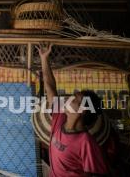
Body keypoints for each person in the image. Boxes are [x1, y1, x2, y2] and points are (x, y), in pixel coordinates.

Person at [38, 43, 108, 177]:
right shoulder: (59, 118)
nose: (69, 99)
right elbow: (50, 88)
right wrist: (44, 59)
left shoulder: (86, 143)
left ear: (82, 110)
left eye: (75, 99)